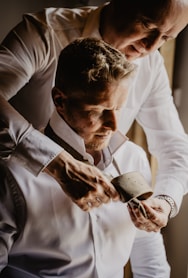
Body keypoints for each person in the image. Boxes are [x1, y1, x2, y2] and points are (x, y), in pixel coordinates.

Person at [0, 0, 188, 231]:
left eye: (166, 38)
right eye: (147, 26)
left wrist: (167, 201)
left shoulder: (151, 65)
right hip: (11, 202)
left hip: (86, 223)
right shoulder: (45, 31)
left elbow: (174, 146)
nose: (151, 47)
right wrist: (55, 161)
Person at [0, 37, 170, 278]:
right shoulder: (12, 174)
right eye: (98, 111)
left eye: (119, 108)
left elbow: (146, 246)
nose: (113, 125)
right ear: (60, 101)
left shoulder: (134, 157)